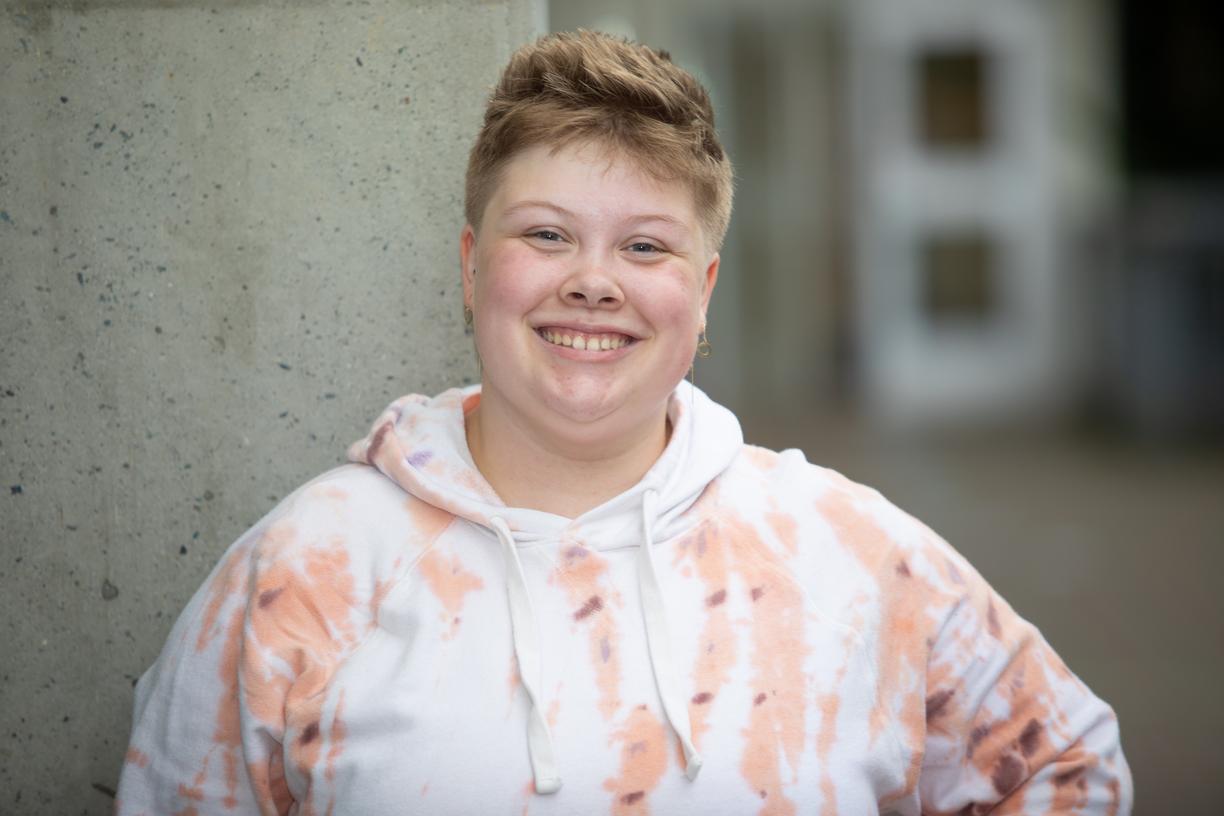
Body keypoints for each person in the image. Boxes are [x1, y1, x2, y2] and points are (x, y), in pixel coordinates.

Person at [116, 30, 1132, 815]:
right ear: (473, 268)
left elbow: (1070, 769)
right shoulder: (308, 573)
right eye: (548, 234)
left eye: (646, 248)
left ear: (705, 291)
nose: (594, 283)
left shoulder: (847, 554)